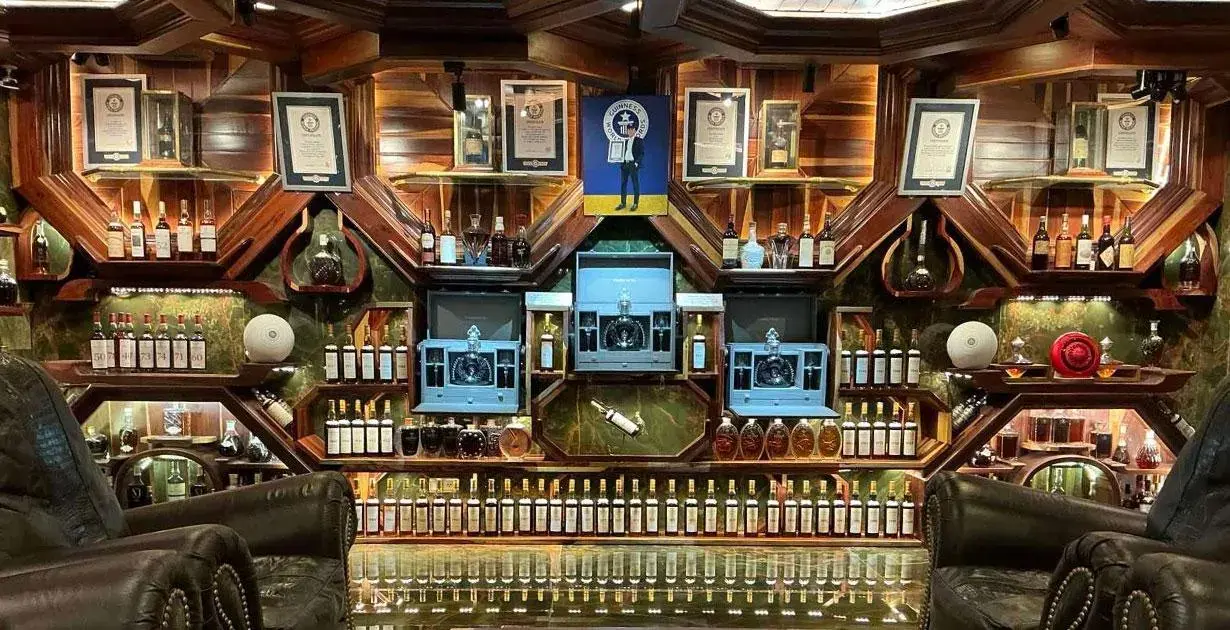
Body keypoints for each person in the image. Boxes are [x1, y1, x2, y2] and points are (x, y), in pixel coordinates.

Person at [614, 121, 644, 211]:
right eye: (629, 129)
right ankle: (623, 203)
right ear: (627, 131)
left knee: (635, 184)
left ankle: (635, 203)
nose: (630, 131)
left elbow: (641, 153)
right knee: (623, 184)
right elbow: (623, 153)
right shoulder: (626, 141)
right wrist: (621, 162)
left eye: (632, 129)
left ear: (635, 130)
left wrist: (636, 163)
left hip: (633, 164)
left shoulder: (639, 140)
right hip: (625, 164)